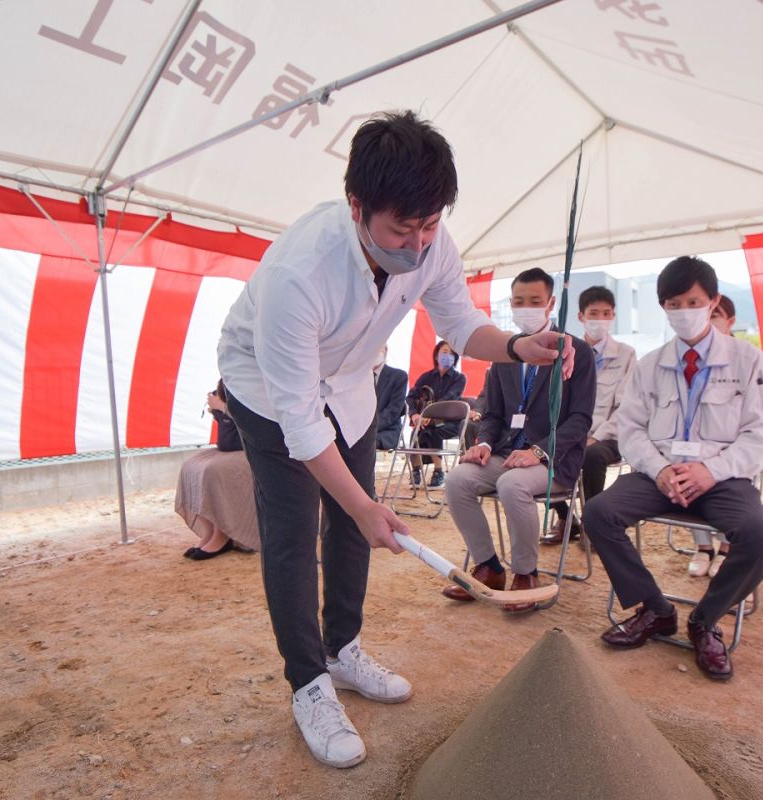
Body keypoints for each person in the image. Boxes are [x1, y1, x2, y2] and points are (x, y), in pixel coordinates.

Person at [216, 111, 574, 769]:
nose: (417, 244)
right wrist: (359, 502)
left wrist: (522, 345)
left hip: (348, 382)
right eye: (401, 228)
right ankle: (309, 682)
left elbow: (463, 324)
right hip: (270, 392)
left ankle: (341, 648)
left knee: (354, 527)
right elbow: (298, 423)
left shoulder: (432, 239)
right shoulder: (301, 272)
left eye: (429, 224)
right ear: (357, 206)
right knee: (297, 529)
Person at [585, 256, 763, 680]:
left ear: (712, 301)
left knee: (761, 535)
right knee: (599, 513)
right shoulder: (650, 365)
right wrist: (658, 470)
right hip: (660, 474)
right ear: (663, 307)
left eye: (692, 301)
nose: (683, 311)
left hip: (722, 478)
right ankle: (656, 610)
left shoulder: (748, 361)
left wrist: (711, 470)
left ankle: (705, 621)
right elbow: (632, 429)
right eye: (673, 304)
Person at [442, 268, 595, 613]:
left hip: (553, 459)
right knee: (457, 480)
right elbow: (492, 413)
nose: (526, 308)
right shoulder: (505, 353)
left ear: (551, 303)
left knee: (512, 485)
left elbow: (581, 420)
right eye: (519, 301)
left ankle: (526, 574)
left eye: (535, 302)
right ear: (510, 304)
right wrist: (482, 443)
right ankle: (489, 567)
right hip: (507, 452)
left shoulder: (576, 352)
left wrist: (539, 451)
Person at [544, 285, 636, 544]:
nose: (600, 320)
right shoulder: (566, 351)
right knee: (539, 449)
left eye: (606, 313)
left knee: (591, 455)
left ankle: (593, 525)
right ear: (581, 316)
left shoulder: (626, 354)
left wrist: (597, 436)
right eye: (594, 313)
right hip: (573, 431)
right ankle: (566, 516)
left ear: (614, 316)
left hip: (609, 436)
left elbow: (626, 407)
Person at [175, 380, 260, 559]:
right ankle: (210, 531)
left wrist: (223, 408)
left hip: (252, 449)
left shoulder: (254, 384)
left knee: (214, 471)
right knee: (190, 466)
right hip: (228, 448)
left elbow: (255, 419)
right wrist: (218, 409)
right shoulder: (228, 382)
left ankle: (222, 534)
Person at [687, 293, 739, 577]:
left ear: (730, 322)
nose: (706, 322)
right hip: (694, 447)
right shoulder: (688, 361)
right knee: (684, 465)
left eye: (714, 315)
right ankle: (703, 547)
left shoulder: (746, 360)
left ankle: (727, 549)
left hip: (730, 454)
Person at [405, 340, 467, 487]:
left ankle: (436, 470)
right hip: (427, 420)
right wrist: (414, 414)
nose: (448, 356)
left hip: (449, 421)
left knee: (430, 429)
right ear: (436, 356)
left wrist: (428, 414)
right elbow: (411, 396)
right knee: (422, 429)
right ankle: (418, 470)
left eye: (452, 353)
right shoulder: (426, 377)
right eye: (445, 352)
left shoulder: (459, 378)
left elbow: (449, 398)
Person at [373, 346, 408, 451]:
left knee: (362, 443)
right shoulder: (360, 378)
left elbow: (393, 412)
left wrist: (370, 429)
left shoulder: (398, 376)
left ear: (386, 350)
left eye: (379, 346)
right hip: (361, 431)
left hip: (387, 430)